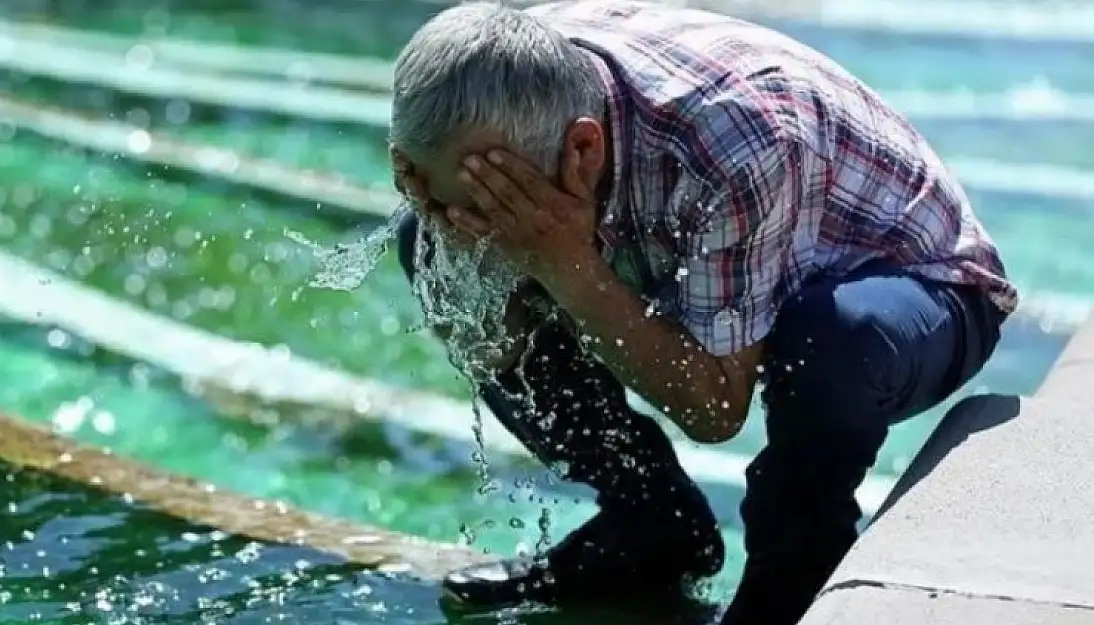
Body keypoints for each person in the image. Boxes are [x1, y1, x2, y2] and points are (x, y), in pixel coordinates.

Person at [388, 1, 1017, 623]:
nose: (464, 223)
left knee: (828, 338)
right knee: (427, 244)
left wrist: (566, 266)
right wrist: (457, 246)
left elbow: (714, 408)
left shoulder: (740, 140)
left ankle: (790, 586)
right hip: (716, 239)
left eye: (490, 203)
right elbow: (481, 309)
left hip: (919, 291)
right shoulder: (492, 71)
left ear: (581, 149)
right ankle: (652, 524)